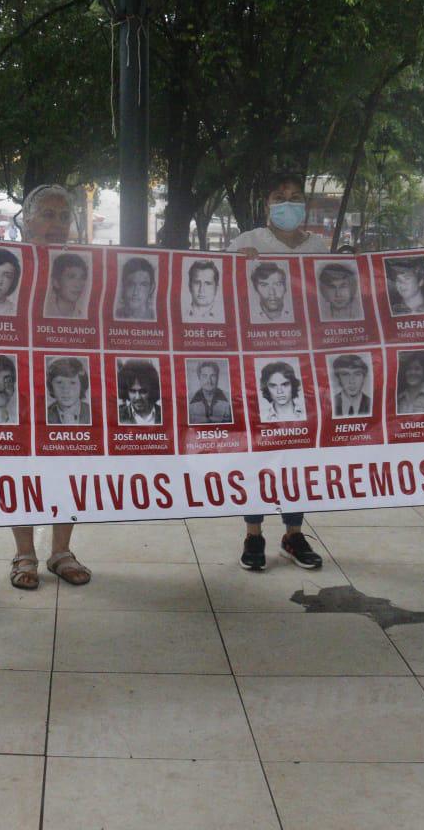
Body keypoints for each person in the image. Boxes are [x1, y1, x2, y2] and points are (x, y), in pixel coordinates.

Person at [228, 172, 325, 572]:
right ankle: (253, 534)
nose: (288, 204)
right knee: (257, 451)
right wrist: (237, 266)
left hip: (303, 362)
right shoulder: (247, 243)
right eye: (279, 196)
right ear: (266, 204)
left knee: (298, 451)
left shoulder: (319, 246)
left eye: (295, 197)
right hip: (255, 363)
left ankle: (293, 533)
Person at [9, 185, 91, 589]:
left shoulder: (88, 265)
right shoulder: (4, 261)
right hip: (19, 377)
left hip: (66, 377)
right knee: (19, 465)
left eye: (63, 216)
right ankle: (25, 554)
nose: (56, 223)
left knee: (68, 463)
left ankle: (62, 552)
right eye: (47, 214)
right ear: (27, 219)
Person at [45, 357, 91, 425]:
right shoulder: (45, 414)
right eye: (59, 382)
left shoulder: (93, 412)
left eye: (72, 383)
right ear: (51, 386)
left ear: (82, 385)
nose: (66, 390)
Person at [116, 360, 163, 425]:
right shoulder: (118, 416)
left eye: (143, 391)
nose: (137, 397)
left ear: (152, 391)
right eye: (132, 391)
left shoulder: (164, 414)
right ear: (125, 392)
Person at [45, 253, 90, 318]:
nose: (78, 285)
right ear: (56, 282)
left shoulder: (85, 314)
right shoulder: (44, 312)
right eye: (71, 277)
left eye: (82, 278)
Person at [187, 359, 232, 424]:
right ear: (199, 378)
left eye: (213, 376)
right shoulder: (189, 402)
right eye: (204, 376)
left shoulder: (229, 400)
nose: (209, 381)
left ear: (217, 378)